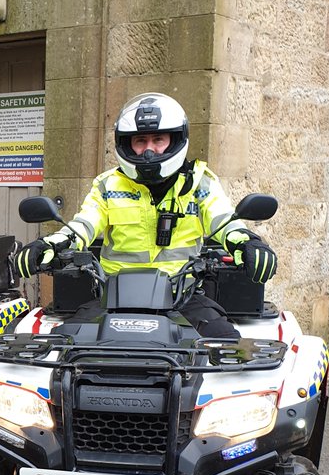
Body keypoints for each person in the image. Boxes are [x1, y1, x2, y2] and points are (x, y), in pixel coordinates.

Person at [14, 92, 277, 338]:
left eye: (158, 140)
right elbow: (83, 225)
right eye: (140, 141)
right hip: (115, 297)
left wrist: (247, 243)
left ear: (174, 140)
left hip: (183, 297)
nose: (149, 150)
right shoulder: (108, 185)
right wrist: (50, 243)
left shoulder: (199, 183)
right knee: (64, 348)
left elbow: (224, 220)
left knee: (226, 347)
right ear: (127, 144)